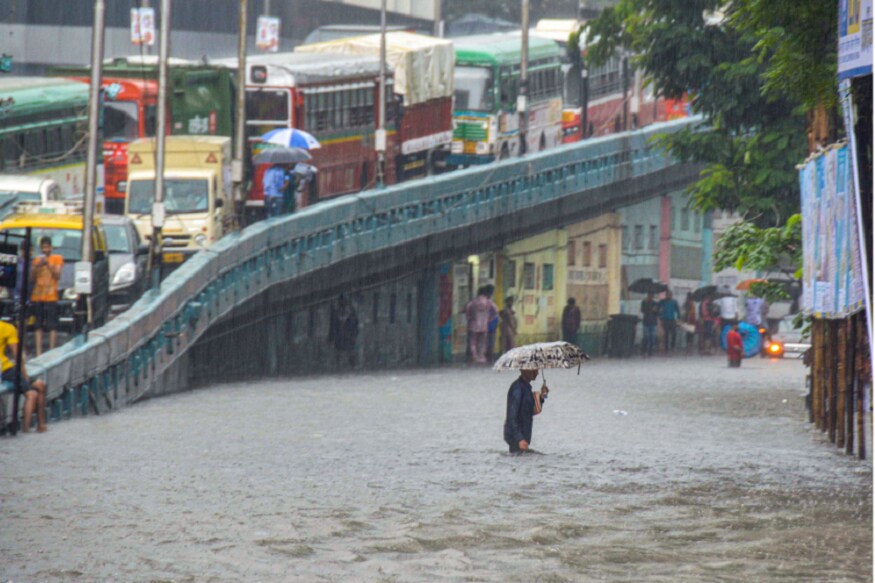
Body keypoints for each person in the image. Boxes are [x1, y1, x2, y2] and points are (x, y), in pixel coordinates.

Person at [0, 320, 47, 432]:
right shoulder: (7, 328)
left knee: (40, 385)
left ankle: (41, 425)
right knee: (32, 394)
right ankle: (26, 429)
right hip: (5, 369)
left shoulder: (7, 328)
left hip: (6, 369)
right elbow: (18, 356)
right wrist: (25, 376)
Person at [30, 236, 62, 357]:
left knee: (52, 324)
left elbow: (57, 275)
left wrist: (48, 264)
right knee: (38, 325)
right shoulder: (36, 261)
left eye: (47, 247)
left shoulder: (57, 259)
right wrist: (38, 265)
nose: (45, 250)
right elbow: (31, 278)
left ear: (51, 247)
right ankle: (38, 352)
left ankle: (51, 350)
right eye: (43, 247)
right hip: (37, 296)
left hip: (51, 296)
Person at [503, 368, 549, 453]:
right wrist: (519, 438)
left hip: (523, 437)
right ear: (524, 370)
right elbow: (512, 416)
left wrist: (542, 397)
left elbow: (529, 410)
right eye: (534, 369)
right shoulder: (517, 388)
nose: (537, 373)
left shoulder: (526, 388)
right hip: (517, 439)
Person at [465, 288, 498, 364]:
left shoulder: (473, 302)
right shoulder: (488, 302)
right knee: (482, 342)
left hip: (473, 325)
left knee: (473, 342)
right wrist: (489, 318)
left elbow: (467, 309)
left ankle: (474, 355)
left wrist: (469, 318)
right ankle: (481, 356)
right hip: (484, 325)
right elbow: (496, 310)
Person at [328, 295, 358, 366]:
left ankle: (350, 363)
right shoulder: (337, 312)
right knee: (339, 351)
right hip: (341, 336)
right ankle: (339, 364)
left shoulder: (350, 312)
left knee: (348, 351)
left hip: (346, 336)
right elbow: (332, 325)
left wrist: (354, 334)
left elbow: (355, 324)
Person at [640, 291, 659, 357]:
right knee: (646, 337)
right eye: (649, 295)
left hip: (653, 322)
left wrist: (656, 310)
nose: (650, 297)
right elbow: (642, 310)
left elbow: (657, 313)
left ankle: (650, 351)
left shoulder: (655, 303)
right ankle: (643, 349)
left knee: (652, 337)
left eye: (652, 296)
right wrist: (648, 306)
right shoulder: (644, 302)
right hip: (646, 322)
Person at [484, 285, 499, 360]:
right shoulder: (489, 301)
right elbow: (496, 311)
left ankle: (489, 355)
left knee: (489, 340)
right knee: (490, 340)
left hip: (490, 323)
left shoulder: (488, 301)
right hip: (491, 323)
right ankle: (489, 355)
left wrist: (489, 319)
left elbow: (495, 311)